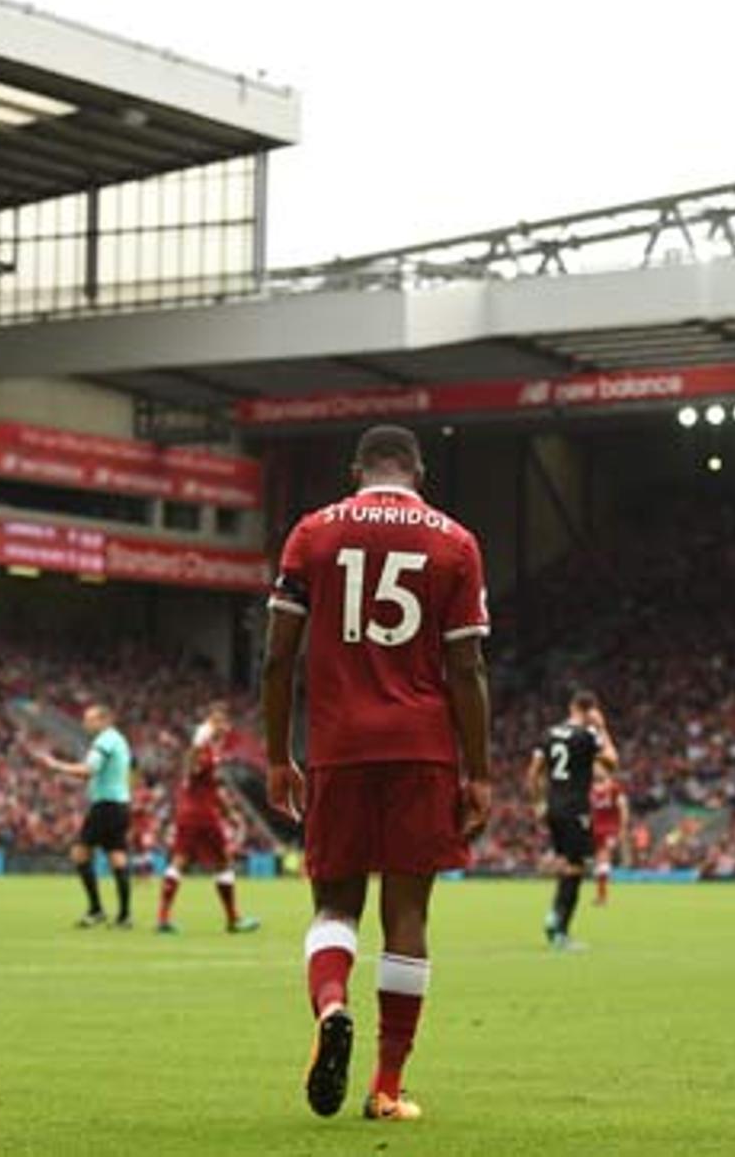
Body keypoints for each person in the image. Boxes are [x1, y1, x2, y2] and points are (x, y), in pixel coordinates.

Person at [262, 423, 492, 1124]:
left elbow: (278, 659)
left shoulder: (313, 534)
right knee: (409, 916)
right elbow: (467, 668)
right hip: (422, 750)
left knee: (334, 908)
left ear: (355, 469)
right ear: (418, 472)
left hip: (338, 746)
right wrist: (478, 771)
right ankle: (387, 1087)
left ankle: (332, 1006)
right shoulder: (455, 542)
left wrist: (277, 755)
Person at [157, 702, 262, 935]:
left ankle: (163, 917)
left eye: (225, 722)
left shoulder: (211, 752)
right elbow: (191, 770)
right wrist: (196, 744)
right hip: (203, 815)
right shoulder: (204, 751)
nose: (224, 727)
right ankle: (233, 919)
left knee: (179, 861)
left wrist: (229, 812)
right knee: (223, 863)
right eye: (219, 722)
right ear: (210, 725)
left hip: (188, 813)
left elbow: (207, 786)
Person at [527, 690, 617, 948]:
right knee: (576, 867)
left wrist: (538, 804)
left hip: (553, 807)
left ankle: (554, 918)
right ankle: (560, 931)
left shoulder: (549, 734)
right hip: (576, 809)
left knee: (566, 863)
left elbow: (532, 774)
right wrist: (602, 728)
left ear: (571, 707)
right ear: (590, 710)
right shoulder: (587, 735)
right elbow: (612, 763)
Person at [36, 704, 136, 929]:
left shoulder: (104, 741)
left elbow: (88, 771)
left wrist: (56, 766)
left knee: (80, 854)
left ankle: (96, 909)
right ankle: (124, 916)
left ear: (103, 720)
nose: (85, 723)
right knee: (116, 856)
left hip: (106, 806)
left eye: (89, 719)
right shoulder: (119, 739)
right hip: (120, 804)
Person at [589, 763, 630, 906]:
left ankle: (602, 897)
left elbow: (623, 807)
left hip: (609, 829)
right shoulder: (590, 788)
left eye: (598, 767)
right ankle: (601, 894)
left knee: (603, 858)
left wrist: (623, 828)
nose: (595, 769)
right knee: (598, 860)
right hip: (593, 829)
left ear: (606, 770)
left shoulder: (615, 788)